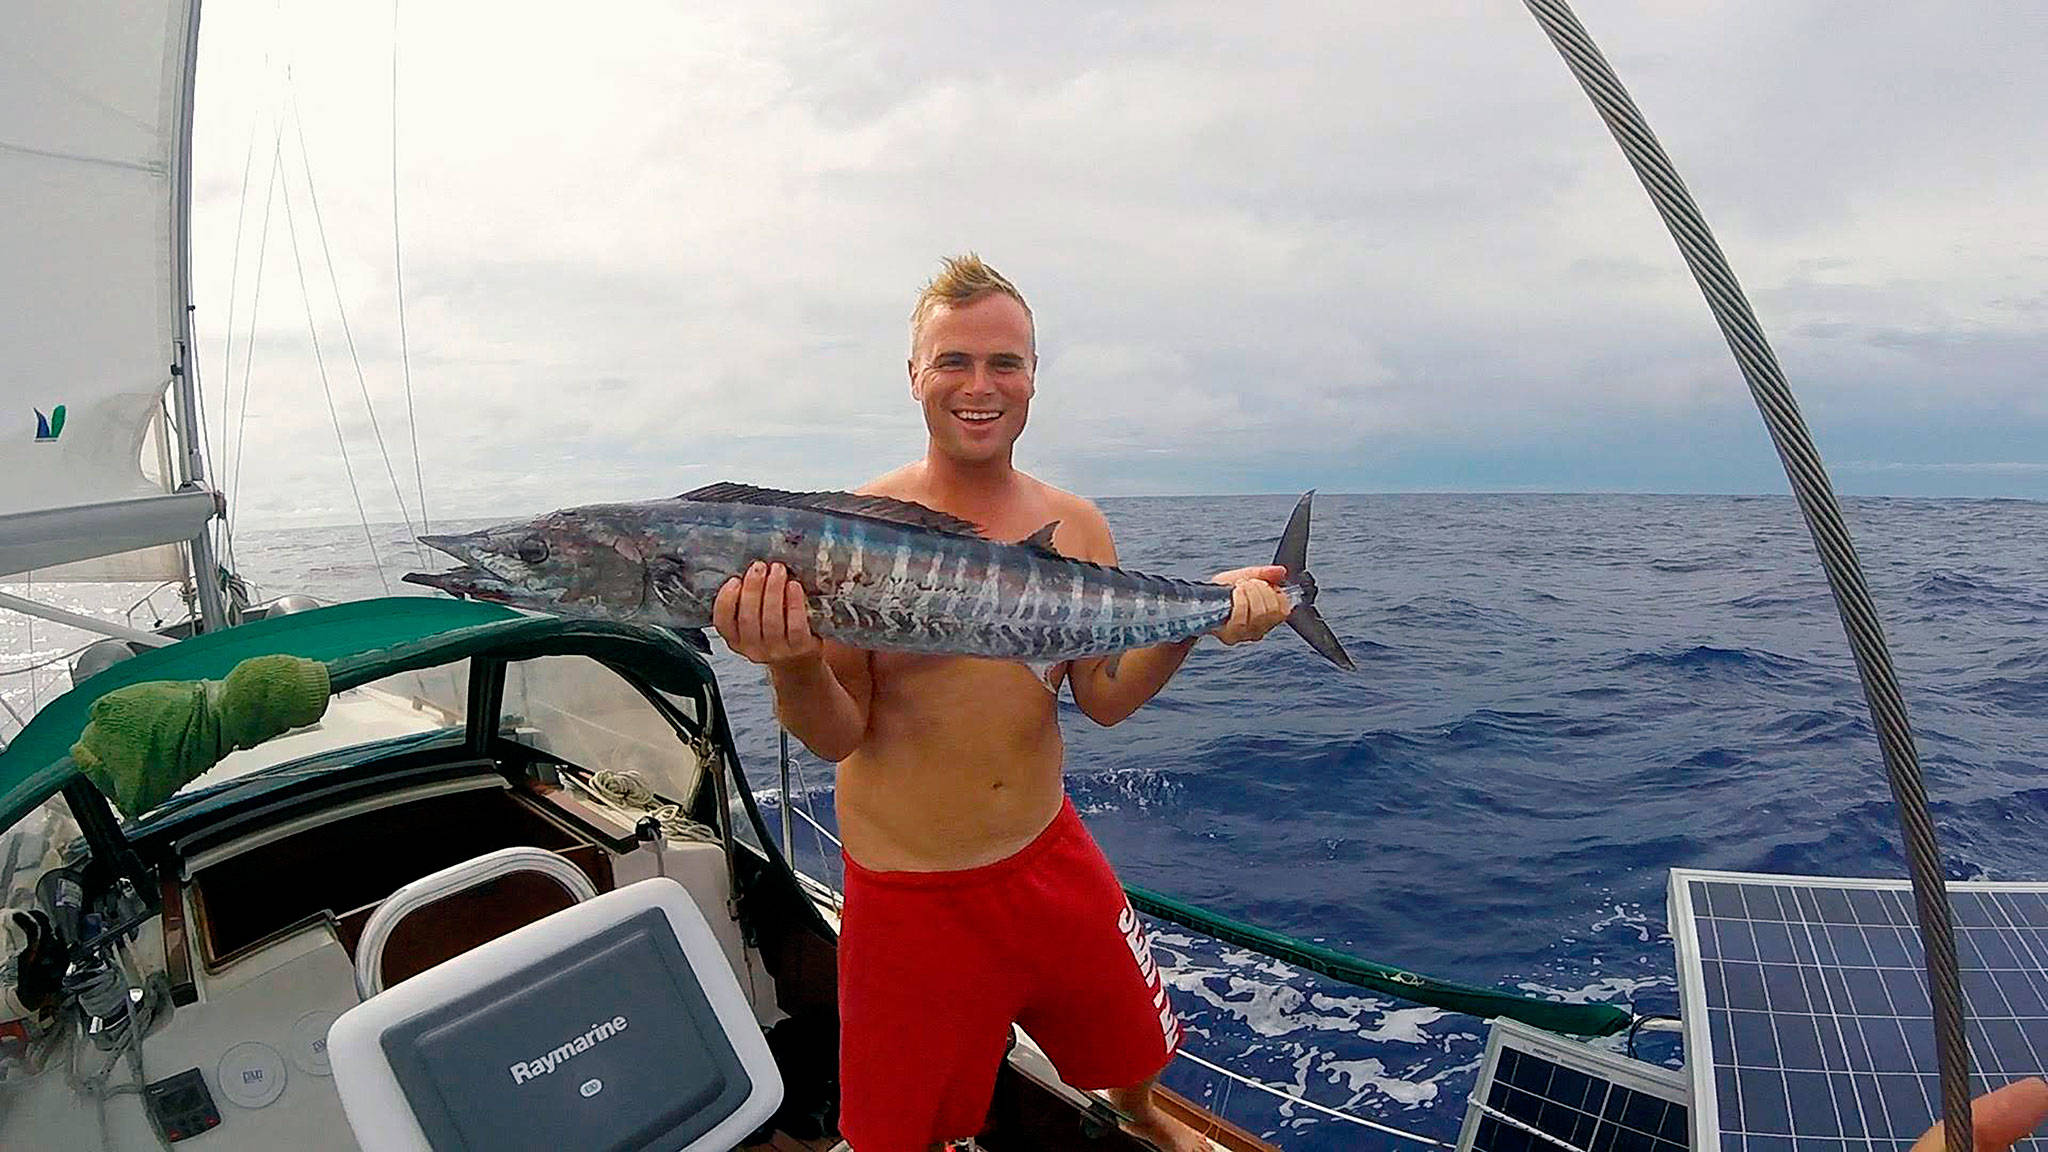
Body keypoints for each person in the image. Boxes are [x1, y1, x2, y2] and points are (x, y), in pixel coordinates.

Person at [712, 254, 1292, 1151]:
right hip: (909, 897)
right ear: (914, 377)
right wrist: (789, 664)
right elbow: (841, 733)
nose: (978, 385)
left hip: (1047, 854)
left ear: (1031, 381)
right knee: (897, 1135)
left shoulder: (1076, 522)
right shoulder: (857, 527)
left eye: (1004, 363)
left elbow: (1101, 699)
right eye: (952, 362)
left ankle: (1143, 1120)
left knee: (1132, 1039)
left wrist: (1193, 623)